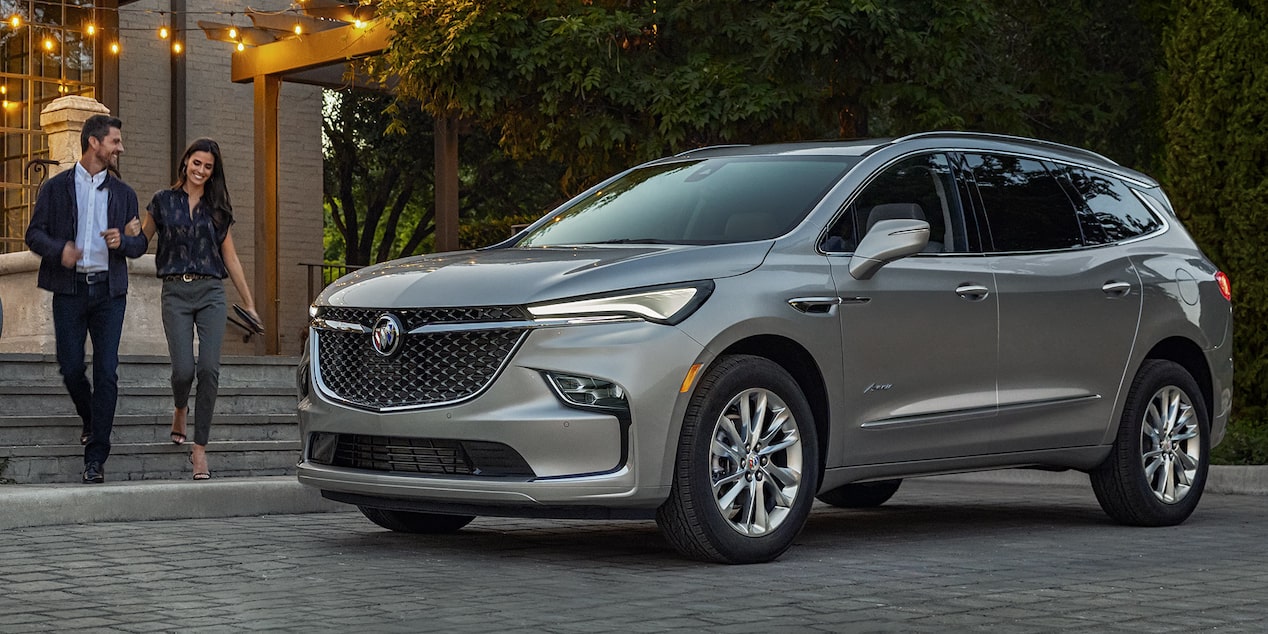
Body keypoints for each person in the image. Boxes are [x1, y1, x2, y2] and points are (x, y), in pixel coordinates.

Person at [25, 114, 146, 484]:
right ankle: (92, 418)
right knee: (72, 367)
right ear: (94, 143)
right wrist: (59, 249)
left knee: (107, 372)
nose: (120, 148)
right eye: (115, 142)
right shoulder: (55, 188)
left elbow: (139, 244)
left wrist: (122, 242)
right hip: (70, 290)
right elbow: (33, 235)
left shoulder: (124, 194)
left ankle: (96, 457)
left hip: (110, 293)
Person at [132, 138, 259, 480]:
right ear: (185, 161)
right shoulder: (162, 202)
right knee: (183, 370)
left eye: (208, 167)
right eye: (197, 163)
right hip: (175, 291)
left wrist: (248, 302)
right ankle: (179, 407)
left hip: (210, 292)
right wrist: (125, 236)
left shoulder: (217, 210)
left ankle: (200, 450)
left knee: (209, 370)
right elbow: (141, 243)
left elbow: (230, 258)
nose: (201, 171)